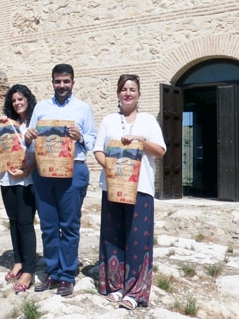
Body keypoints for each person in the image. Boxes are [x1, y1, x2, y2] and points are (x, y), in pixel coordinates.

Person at [93, 74, 166, 310]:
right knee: (113, 236)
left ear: (139, 94)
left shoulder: (148, 121)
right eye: (124, 89)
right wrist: (114, 171)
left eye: (132, 89)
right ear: (118, 93)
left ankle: (135, 291)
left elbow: (160, 151)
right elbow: (98, 151)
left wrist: (140, 140)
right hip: (113, 187)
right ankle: (114, 286)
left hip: (141, 188)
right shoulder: (108, 121)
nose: (128, 93)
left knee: (137, 240)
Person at [24, 63, 97, 297]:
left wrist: (81, 136)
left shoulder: (83, 109)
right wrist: (27, 137)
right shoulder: (41, 108)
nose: (62, 85)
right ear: (52, 82)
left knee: (69, 226)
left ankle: (67, 275)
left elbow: (94, 141)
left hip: (73, 171)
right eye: (58, 81)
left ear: (73, 82)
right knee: (48, 226)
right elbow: (31, 139)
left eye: (66, 81)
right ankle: (52, 272)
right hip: (44, 172)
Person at [0, 84, 38, 294]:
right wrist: (2, 124)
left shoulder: (35, 122)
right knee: (13, 221)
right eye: (14, 100)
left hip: (27, 179)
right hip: (7, 178)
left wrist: (25, 172)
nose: (17, 103)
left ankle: (29, 269)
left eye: (21, 99)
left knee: (25, 222)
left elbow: (38, 154)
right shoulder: (9, 123)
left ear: (28, 100)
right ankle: (18, 261)